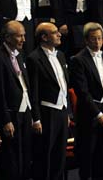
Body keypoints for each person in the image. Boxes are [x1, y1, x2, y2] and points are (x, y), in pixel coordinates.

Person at [70, 22, 103, 180]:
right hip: (89, 113)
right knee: (87, 156)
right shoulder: (78, 59)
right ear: (86, 40)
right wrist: (98, 114)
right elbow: (82, 92)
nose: (97, 42)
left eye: (99, 38)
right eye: (93, 39)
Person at [0, 20, 33, 180]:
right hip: (10, 115)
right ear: (7, 37)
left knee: (25, 156)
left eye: (24, 35)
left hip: (24, 112)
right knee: (11, 160)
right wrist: (5, 120)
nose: (23, 39)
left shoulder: (19, 55)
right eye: (19, 36)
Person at [26, 22, 70, 180]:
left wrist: (68, 111)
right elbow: (34, 92)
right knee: (45, 156)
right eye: (54, 32)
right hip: (46, 113)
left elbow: (64, 85)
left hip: (61, 110)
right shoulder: (34, 58)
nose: (59, 34)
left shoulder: (61, 55)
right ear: (44, 37)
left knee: (60, 155)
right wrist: (36, 118)